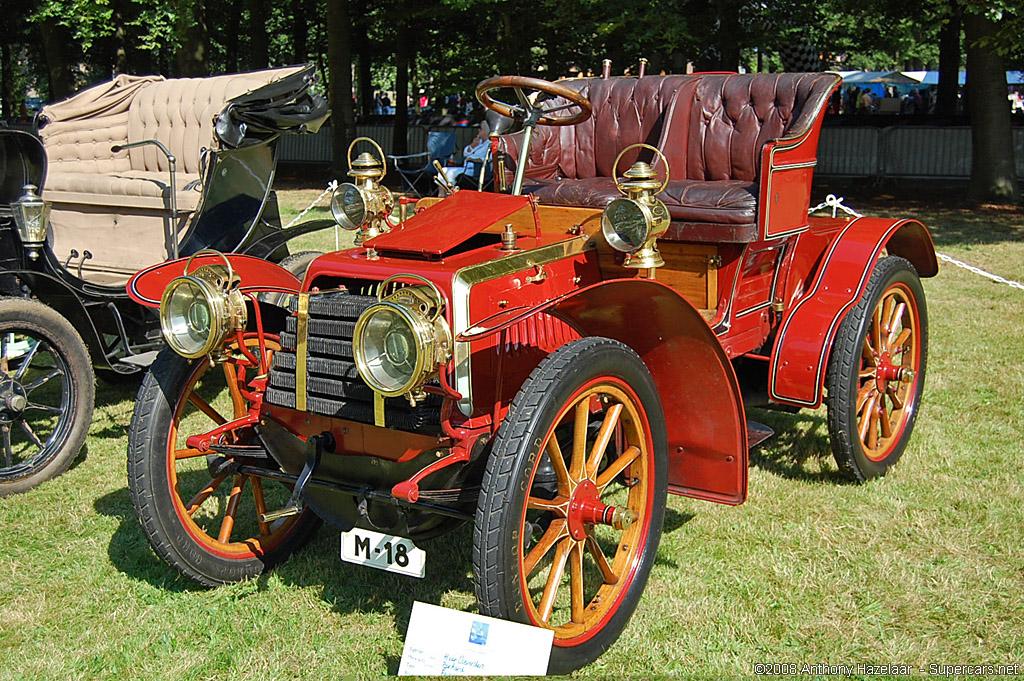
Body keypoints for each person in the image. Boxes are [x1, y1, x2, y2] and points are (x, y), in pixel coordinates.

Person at [440, 122, 490, 187]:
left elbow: (489, 159)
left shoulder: (489, 144)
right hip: (466, 167)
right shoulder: (478, 142)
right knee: (443, 170)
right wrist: (472, 145)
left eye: (481, 129)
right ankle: (441, 194)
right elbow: (465, 153)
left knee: (451, 173)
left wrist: (472, 159)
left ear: (487, 131)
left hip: (476, 170)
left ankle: (450, 193)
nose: (479, 130)